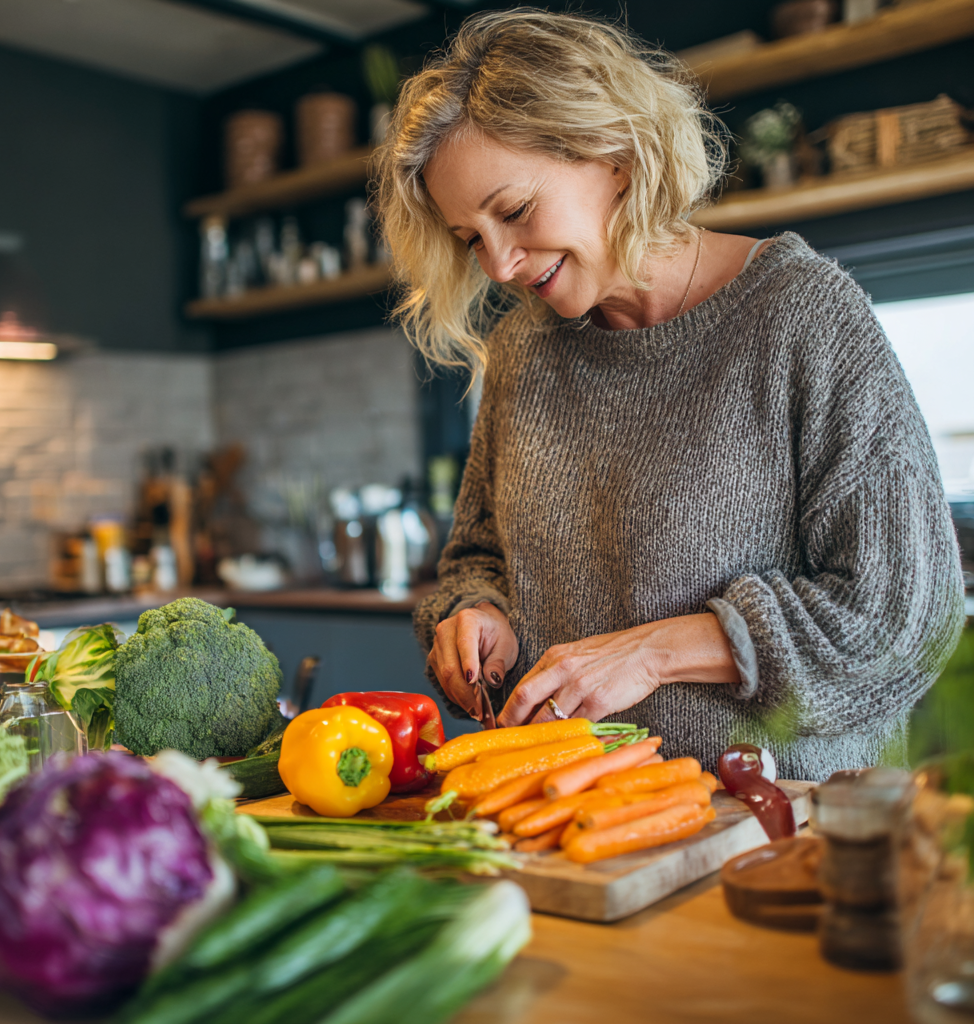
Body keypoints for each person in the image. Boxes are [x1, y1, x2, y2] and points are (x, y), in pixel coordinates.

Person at [373, 9, 964, 778]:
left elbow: (904, 619)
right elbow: (479, 556)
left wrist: (654, 652)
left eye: (514, 211)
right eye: (471, 239)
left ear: (613, 153)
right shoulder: (523, 351)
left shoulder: (801, 316)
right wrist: (478, 615)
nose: (500, 264)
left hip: (773, 831)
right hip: (581, 822)